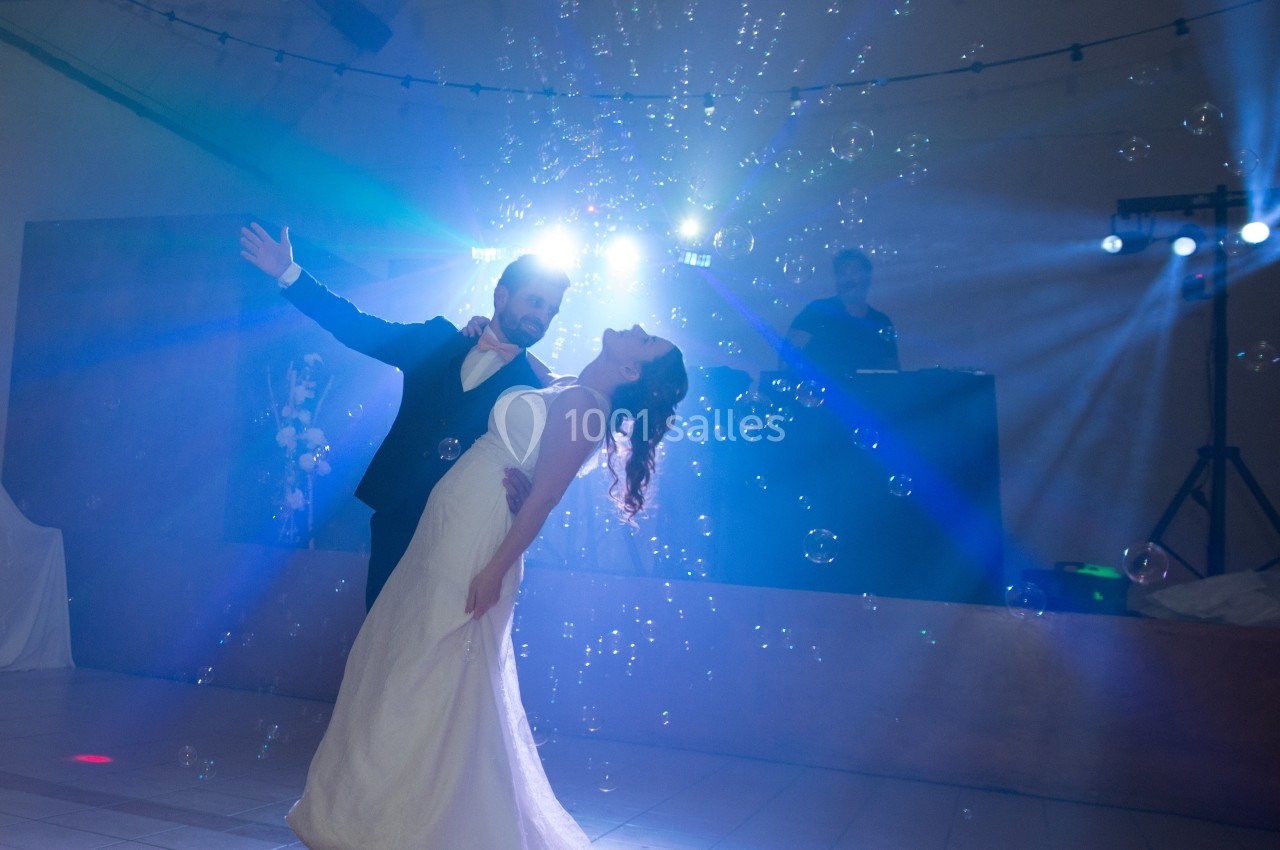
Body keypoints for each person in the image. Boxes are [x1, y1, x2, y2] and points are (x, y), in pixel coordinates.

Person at [285, 325, 688, 849]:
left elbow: (543, 499)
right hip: (450, 525)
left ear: (632, 370)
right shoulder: (570, 387)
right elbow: (531, 385)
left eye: (648, 340)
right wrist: (487, 333)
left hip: (476, 539)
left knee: (425, 665)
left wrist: (494, 569)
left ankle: (402, 821)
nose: (638, 328)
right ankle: (364, 809)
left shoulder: (587, 407)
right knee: (402, 653)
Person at [240, 223, 565, 611]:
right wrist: (289, 275)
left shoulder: (536, 388)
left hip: (465, 531)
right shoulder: (440, 339)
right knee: (381, 639)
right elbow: (360, 329)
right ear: (501, 295)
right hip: (397, 515)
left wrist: (524, 494)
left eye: (550, 310)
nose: (541, 317)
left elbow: (545, 467)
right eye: (534, 302)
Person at [783, 247, 900, 382]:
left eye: (854, 272)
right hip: (820, 396)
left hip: (866, 398)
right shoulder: (817, 311)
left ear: (867, 277)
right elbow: (788, 354)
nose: (847, 279)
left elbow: (892, 371)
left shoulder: (880, 321)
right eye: (842, 273)